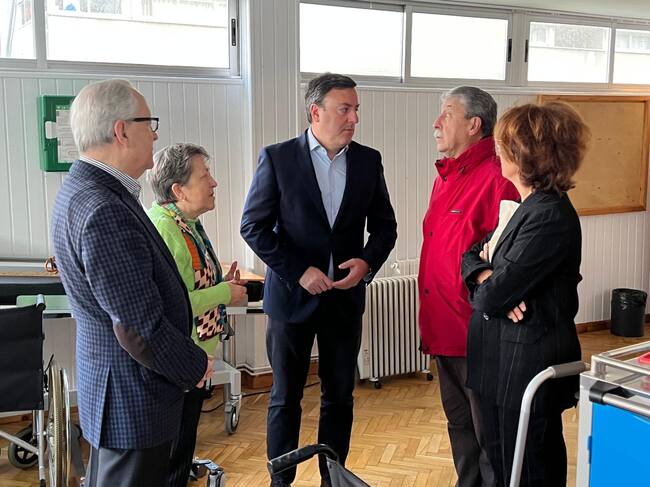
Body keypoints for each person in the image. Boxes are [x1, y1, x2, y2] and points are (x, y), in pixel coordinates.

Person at [51, 79, 212, 487]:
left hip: (121, 390)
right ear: (121, 130)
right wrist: (194, 364)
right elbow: (139, 327)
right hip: (131, 398)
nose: (155, 134)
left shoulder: (88, 189)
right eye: (149, 123)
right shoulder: (104, 207)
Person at [240, 72, 397, 487]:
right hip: (290, 301)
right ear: (315, 112)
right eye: (344, 109)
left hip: (344, 301)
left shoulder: (368, 161)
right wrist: (298, 271)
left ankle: (333, 479)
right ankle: (281, 482)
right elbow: (253, 227)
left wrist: (366, 264)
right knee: (284, 397)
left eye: (356, 110)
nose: (354, 118)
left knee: (339, 397)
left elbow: (385, 227)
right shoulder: (278, 158)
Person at [461, 102, 588, 486]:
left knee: (531, 469)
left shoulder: (549, 215)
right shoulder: (525, 206)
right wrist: (486, 273)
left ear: (528, 153)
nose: (497, 151)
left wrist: (494, 285)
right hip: (497, 360)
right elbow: (470, 255)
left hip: (526, 365)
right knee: (501, 466)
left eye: (505, 144)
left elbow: (490, 298)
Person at [418, 86, 519, 487]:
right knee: (460, 426)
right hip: (442, 329)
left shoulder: (499, 178)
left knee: (489, 436)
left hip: (476, 333)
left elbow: (508, 262)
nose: (436, 123)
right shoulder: (445, 176)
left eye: (446, 114)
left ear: (474, 124)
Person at [147, 143, 248, 487]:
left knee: (183, 445)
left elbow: (190, 280)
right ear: (179, 190)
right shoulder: (165, 229)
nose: (214, 183)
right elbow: (174, 303)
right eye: (205, 176)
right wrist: (225, 293)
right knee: (174, 455)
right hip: (179, 359)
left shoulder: (186, 223)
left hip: (195, 356)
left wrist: (221, 282)